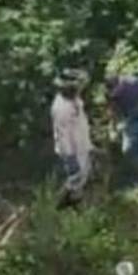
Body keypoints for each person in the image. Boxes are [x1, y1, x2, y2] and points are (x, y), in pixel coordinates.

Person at [51, 69, 93, 206]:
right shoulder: (61, 108)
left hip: (81, 143)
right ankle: (61, 204)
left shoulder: (74, 100)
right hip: (71, 149)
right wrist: (71, 158)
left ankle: (75, 201)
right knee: (75, 178)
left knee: (83, 174)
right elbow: (64, 137)